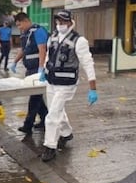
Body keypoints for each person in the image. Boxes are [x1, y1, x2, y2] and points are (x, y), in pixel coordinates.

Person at [40, 9, 98, 162]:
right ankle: (66, 133)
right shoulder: (52, 37)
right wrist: (43, 70)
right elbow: (48, 55)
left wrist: (93, 88)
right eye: (58, 21)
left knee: (52, 116)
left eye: (64, 21)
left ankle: (50, 146)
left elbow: (88, 63)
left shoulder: (79, 41)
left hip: (66, 84)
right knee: (56, 110)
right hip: (51, 81)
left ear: (71, 22)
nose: (60, 24)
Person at [9, 12, 48, 134]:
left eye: (20, 25)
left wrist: (41, 68)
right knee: (37, 97)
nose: (19, 27)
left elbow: (42, 50)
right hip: (30, 69)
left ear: (26, 21)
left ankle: (28, 124)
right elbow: (23, 50)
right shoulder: (25, 34)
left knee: (34, 97)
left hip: (37, 68)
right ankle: (45, 119)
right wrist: (15, 62)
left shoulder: (38, 31)